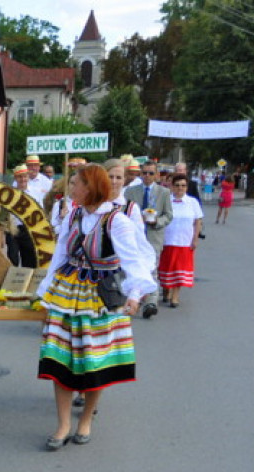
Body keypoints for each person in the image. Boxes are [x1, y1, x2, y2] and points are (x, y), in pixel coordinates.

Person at [36, 164, 156, 450]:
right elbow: (60, 255)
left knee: (95, 360)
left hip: (101, 296)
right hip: (67, 292)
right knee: (60, 359)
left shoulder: (117, 221)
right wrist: (44, 294)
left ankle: (85, 419)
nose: (71, 188)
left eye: (75, 183)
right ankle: (63, 424)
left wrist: (135, 294)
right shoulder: (74, 214)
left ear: (90, 187)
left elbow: (135, 261)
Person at [124, 161, 173, 319]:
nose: (147, 176)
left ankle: (151, 303)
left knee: (152, 270)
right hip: (134, 238)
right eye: (144, 172)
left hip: (153, 237)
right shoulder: (131, 192)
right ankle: (133, 299)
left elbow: (169, 215)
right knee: (132, 269)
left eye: (151, 173)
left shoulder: (164, 192)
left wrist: (157, 222)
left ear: (157, 175)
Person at [160, 173, 203, 307]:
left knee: (180, 270)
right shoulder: (165, 200)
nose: (180, 188)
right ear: (172, 186)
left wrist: (195, 238)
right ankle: (166, 291)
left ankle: (175, 296)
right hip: (167, 241)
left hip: (184, 242)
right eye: (177, 185)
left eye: (183, 186)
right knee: (166, 269)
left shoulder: (192, 202)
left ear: (187, 187)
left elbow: (198, 221)